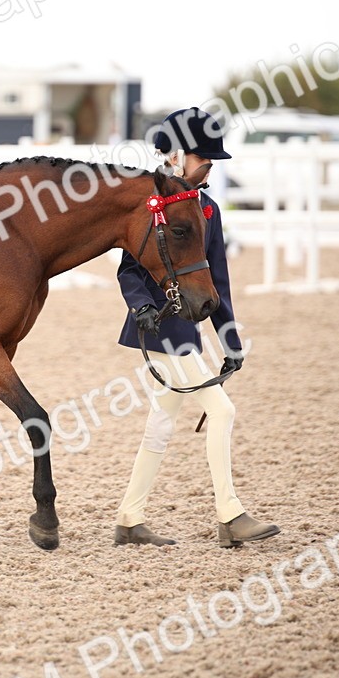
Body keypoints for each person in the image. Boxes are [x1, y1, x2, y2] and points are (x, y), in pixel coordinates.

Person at [113, 107, 279, 549]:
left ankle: (130, 519)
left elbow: (216, 280)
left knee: (162, 422)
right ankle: (230, 514)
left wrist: (231, 341)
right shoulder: (153, 205)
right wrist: (141, 307)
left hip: (188, 332)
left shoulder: (207, 208)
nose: (209, 167)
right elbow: (129, 271)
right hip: (159, 327)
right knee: (222, 411)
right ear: (177, 157)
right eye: (202, 159)